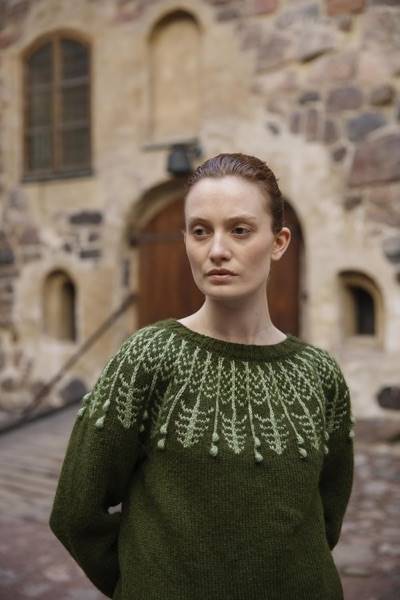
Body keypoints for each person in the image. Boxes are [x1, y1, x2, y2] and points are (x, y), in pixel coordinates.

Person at [49, 152, 355, 600]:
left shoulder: (319, 374)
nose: (216, 250)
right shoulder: (149, 357)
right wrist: (145, 584)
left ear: (278, 242)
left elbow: (327, 515)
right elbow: (77, 511)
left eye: (240, 230)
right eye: (200, 231)